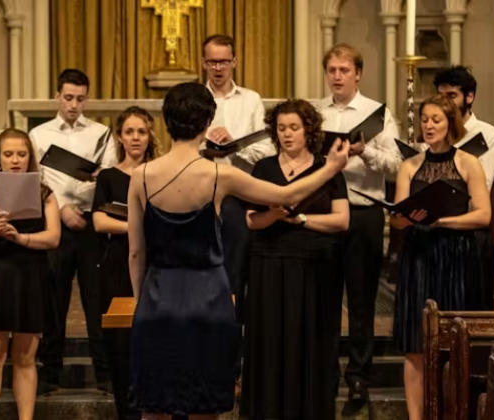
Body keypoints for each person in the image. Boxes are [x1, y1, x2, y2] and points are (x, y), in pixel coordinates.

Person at [126, 82, 350, 419]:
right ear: (206, 123)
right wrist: (331, 169)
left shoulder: (140, 176)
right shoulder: (220, 174)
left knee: (155, 408)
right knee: (205, 408)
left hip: (159, 298)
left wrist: (141, 302)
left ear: (166, 121)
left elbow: (135, 252)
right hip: (208, 298)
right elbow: (286, 196)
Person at [240, 99, 349, 420]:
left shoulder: (326, 168)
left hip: (314, 265)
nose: (287, 134)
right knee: (269, 341)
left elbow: (341, 221)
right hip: (268, 264)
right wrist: (274, 213)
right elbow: (250, 220)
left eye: (294, 128)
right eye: (281, 128)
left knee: (311, 341)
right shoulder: (263, 168)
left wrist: (301, 220)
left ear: (308, 131)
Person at [391, 94, 490, 420]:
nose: (429, 125)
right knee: (415, 346)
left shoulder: (467, 162)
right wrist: (406, 218)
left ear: (450, 124)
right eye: (425, 119)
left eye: (436, 119)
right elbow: (397, 217)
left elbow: (483, 216)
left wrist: (443, 220)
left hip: (456, 258)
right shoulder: (409, 165)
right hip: (419, 258)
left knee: (454, 345)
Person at [316, 42, 402, 413]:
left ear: (358, 74)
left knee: (363, 297)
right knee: (323, 297)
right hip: (323, 211)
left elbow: (398, 166)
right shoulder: (315, 112)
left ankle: (358, 376)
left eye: (344, 70)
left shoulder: (377, 114)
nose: (337, 76)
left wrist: (363, 151)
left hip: (363, 212)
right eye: (332, 70)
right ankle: (324, 372)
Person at [0, 128, 61, 420]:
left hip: (30, 275)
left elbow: (54, 238)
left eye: (21, 154)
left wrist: (21, 239)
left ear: (30, 157)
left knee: (26, 358)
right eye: (8, 154)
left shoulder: (45, 194)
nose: (15, 160)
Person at [29, 69, 117, 394]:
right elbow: (36, 179)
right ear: (57, 96)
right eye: (68, 97)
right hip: (55, 222)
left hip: (92, 223)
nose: (74, 105)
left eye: (80, 98)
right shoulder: (39, 135)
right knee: (54, 300)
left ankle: (105, 374)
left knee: (97, 301)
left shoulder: (102, 133)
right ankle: (50, 373)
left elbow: (107, 177)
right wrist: (63, 208)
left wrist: (82, 206)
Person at [200, 33, 275, 305]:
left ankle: (236, 336)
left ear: (235, 61)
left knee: (236, 269)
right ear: (203, 63)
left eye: (224, 61)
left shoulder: (250, 100)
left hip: (241, 195)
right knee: (203, 269)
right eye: (212, 62)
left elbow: (267, 151)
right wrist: (204, 148)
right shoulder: (195, 97)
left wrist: (234, 144)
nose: (218, 68)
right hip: (201, 194)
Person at [92, 106, 157, 420]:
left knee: (153, 343)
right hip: (117, 265)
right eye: (129, 131)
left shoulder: (159, 172)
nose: (135, 138)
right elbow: (100, 222)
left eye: (141, 131)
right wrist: (137, 225)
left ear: (150, 136)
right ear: (120, 136)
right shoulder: (108, 176)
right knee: (120, 346)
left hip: (155, 266)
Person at [434, 66, 494, 310]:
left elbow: (481, 187)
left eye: (452, 96)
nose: (446, 103)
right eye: (441, 96)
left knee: (471, 307)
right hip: (437, 231)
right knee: (438, 309)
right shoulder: (435, 132)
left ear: (469, 97)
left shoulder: (488, 134)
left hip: (471, 232)